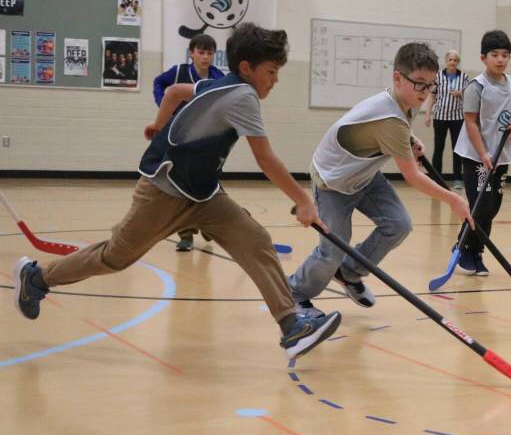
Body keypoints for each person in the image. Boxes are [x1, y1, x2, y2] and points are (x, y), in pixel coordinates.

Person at [13, 23, 341, 360]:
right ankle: (36, 278)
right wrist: (303, 199)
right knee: (115, 257)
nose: (275, 80)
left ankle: (291, 327)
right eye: (271, 72)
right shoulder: (242, 96)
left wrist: (159, 125)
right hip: (163, 193)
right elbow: (265, 158)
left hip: (203, 194)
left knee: (254, 239)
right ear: (246, 68)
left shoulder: (217, 83)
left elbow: (173, 93)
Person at [289, 43, 472, 311]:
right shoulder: (390, 117)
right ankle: (293, 293)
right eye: (419, 84)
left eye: (430, 85)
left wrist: (409, 139)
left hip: (363, 174)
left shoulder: (406, 99)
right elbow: (412, 175)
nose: (425, 92)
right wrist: (453, 199)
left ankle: (349, 272)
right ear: (397, 78)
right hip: (333, 181)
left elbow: (395, 129)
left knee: (398, 224)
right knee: (333, 250)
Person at [452, 30, 511, 276]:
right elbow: (470, 122)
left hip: (501, 153)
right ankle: (464, 249)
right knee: (479, 207)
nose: (500, 59)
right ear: (483, 58)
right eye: (495, 55)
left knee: (492, 208)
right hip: (476, 155)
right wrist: (483, 153)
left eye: (505, 55)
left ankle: (475, 249)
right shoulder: (476, 86)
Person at [153, 34, 226, 251]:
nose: (205, 57)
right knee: (180, 182)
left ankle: (206, 222)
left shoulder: (218, 77)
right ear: (191, 53)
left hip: (206, 137)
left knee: (207, 178)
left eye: (209, 53)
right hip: (180, 136)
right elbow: (159, 83)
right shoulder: (178, 72)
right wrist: (165, 106)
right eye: (201, 52)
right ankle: (186, 233)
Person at [423, 50, 468, 190]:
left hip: (457, 118)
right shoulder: (438, 76)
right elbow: (432, 96)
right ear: (446, 61)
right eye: (450, 59)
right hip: (440, 117)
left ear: (458, 62)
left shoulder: (464, 77)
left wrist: (461, 93)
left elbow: (470, 95)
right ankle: (436, 179)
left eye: (455, 60)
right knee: (438, 148)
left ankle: (458, 179)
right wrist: (427, 114)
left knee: (457, 149)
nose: (452, 62)